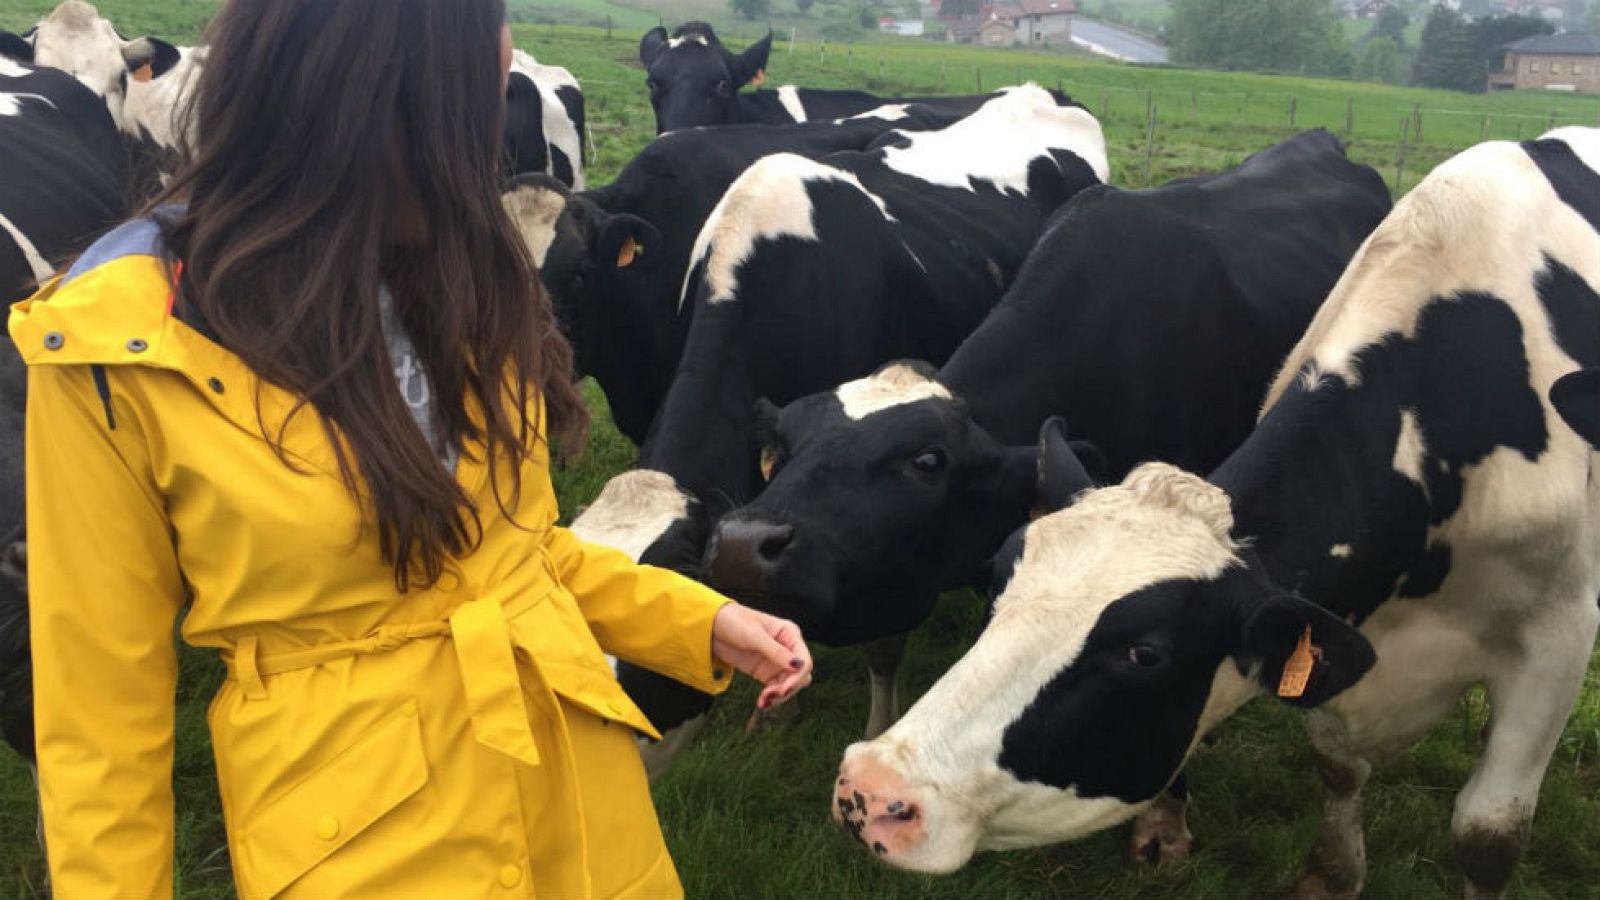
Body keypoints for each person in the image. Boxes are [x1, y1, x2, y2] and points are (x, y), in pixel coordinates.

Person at [6, 1, 813, 896]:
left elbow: (520, 556)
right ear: (351, 104)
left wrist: (696, 621)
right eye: (460, 116)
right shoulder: (122, 344)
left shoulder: (475, 270)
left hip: (582, 816)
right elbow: (100, 724)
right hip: (364, 850)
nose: (483, 157)